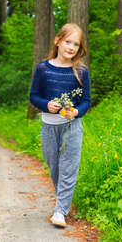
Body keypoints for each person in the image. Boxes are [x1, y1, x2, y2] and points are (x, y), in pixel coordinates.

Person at [29, 23, 91, 228]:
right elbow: (33, 97)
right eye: (67, 42)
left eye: (76, 44)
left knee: (69, 168)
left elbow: (86, 102)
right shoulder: (43, 68)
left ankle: (60, 211)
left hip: (72, 127)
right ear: (57, 41)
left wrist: (76, 112)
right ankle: (63, 203)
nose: (71, 47)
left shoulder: (81, 72)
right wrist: (46, 105)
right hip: (49, 127)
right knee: (55, 167)